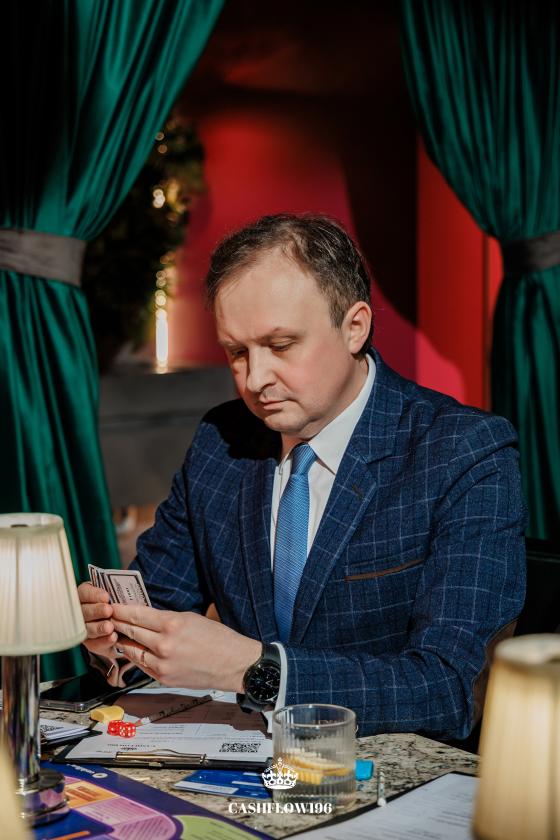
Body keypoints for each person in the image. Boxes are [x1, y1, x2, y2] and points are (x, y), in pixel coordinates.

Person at [79, 213, 526, 739]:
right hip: (242, 757)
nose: (255, 378)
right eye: (237, 352)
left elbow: (448, 688)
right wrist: (116, 641)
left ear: (355, 327)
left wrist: (254, 669)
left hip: (381, 769)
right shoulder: (222, 441)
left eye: (281, 345)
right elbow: (157, 607)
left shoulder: (462, 451)